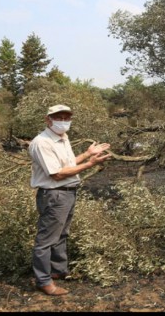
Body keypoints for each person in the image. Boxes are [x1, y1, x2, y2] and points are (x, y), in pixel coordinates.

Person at [28, 104, 111, 295]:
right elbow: (57, 174)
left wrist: (87, 154)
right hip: (55, 194)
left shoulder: (62, 138)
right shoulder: (42, 143)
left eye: (66, 118)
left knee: (61, 235)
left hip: (67, 192)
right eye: (59, 117)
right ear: (48, 120)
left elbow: (69, 164)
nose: (63, 121)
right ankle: (43, 281)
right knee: (46, 239)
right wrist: (91, 164)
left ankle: (58, 271)